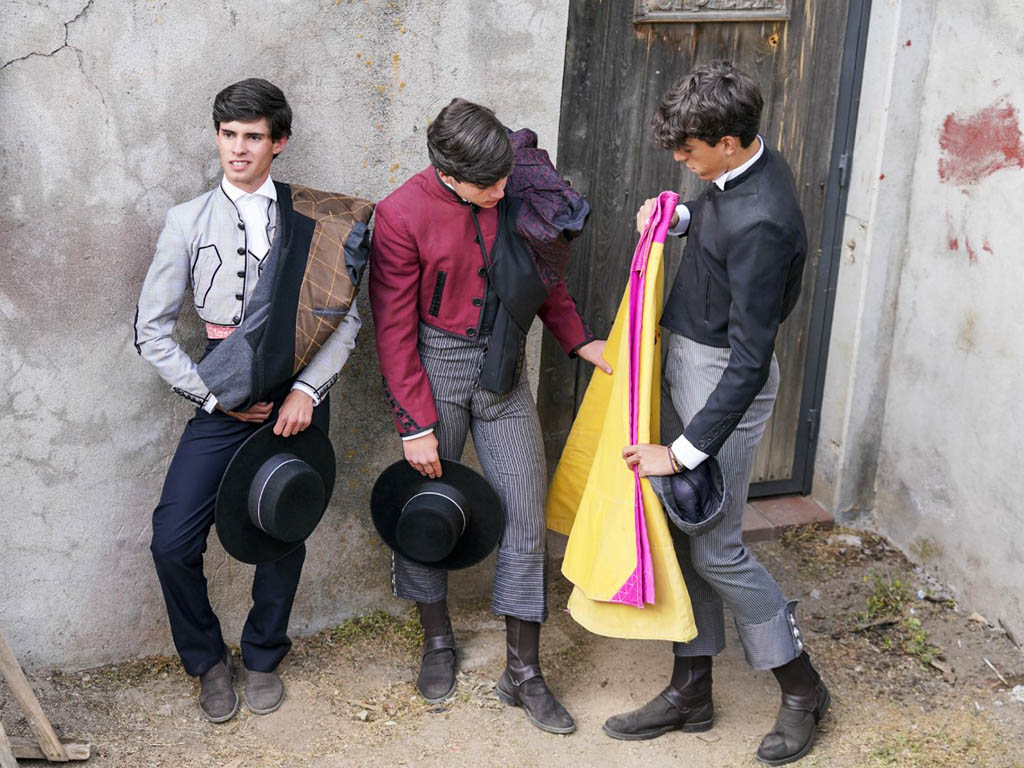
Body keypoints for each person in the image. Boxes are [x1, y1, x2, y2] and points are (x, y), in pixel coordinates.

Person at [604, 61, 829, 766]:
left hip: (722, 384)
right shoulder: (743, 172)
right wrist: (681, 214)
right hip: (692, 363)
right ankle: (692, 690)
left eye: (690, 150)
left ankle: (802, 690)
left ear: (730, 142)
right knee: (682, 531)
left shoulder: (766, 221)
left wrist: (686, 450)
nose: (680, 159)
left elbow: (750, 362)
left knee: (717, 546)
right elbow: (721, 219)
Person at [369, 98, 609, 735]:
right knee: (426, 510)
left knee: (526, 505)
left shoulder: (513, 180)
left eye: (505, 178)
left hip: (505, 366)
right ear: (447, 173)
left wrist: (580, 340)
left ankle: (523, 671)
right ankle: (437, 640)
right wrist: (413, 424)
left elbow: (543, 273)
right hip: (435, 368)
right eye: (490, 185)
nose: (504, 191)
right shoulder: (399, 214)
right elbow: (392, 329)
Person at [134, 78, 368, 723]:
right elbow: (149, 331)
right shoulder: (186, 220)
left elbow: (342, 318)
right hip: (223, 393)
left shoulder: (317, 219)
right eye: (229, 135)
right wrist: (210, 397)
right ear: (218, 137)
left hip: (297, 390)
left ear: (279, 143)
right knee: (171, 541)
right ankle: (208, 660)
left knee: (280, 526)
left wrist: (305, 391)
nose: (238, 149)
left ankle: (264, 655)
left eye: (253, 137)